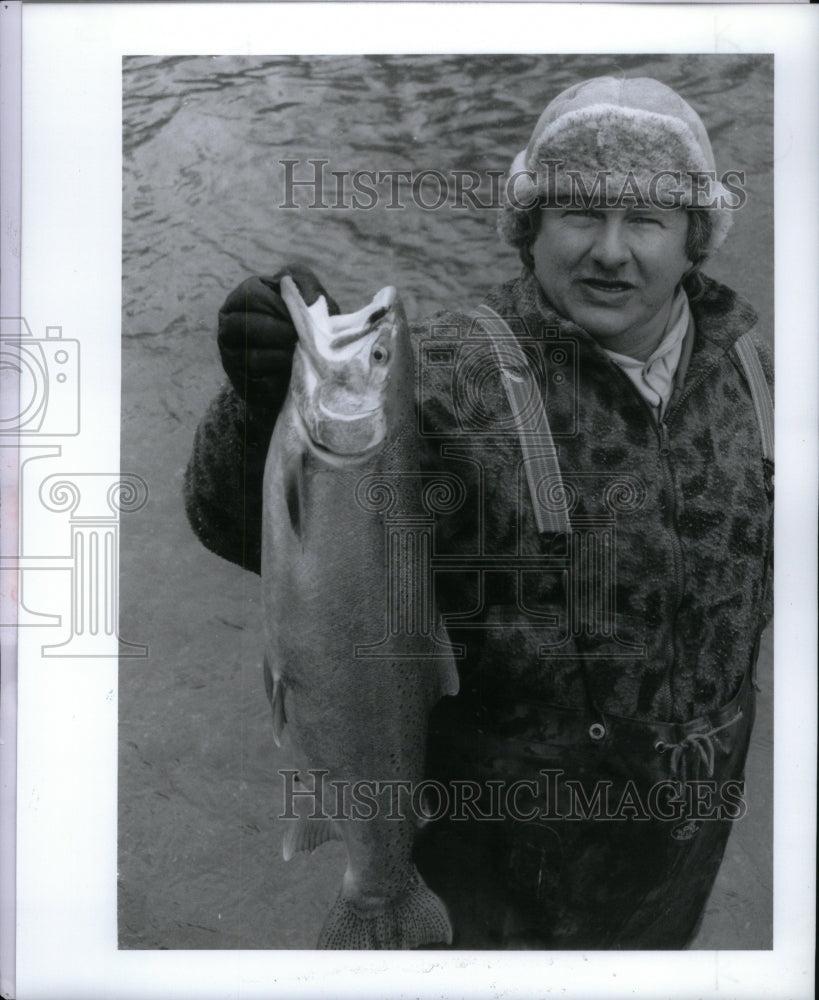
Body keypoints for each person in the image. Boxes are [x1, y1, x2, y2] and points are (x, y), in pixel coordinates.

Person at [184, 76, 773, 949]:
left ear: (696, 238)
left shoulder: (761, 379)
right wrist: (261, 402)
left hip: (677, 849)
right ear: (527, 226)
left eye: (645, 220)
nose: (610, 251)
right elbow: (251, 533)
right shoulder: (447, 376)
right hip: (488, 864)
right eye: (576, 213)